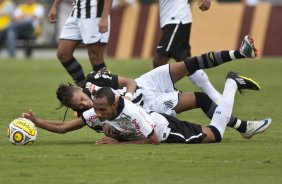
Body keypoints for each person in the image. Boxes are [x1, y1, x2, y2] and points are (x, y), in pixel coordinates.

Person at [21, 36, 271, 140]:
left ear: (78, 89)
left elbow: (129, 81)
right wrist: (36, 121)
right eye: (78, 106)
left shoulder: (94, 79)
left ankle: (240, 52)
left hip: (146, 83)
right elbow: (64, 127)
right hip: (149, 108)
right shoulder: (91, 114)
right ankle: (242, 127)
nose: (83, 104)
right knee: (201, 100)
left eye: (80, 98)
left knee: (187, 64)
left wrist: (127, 95)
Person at [92, 71, 271, 144]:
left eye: (101, 110)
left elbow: (153, 140)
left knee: (215, 135)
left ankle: (231, 83)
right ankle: (244, 127)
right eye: (96, 109)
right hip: (157, 118)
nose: (98, 114)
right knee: (202, 102)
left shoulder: (132, 111)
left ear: (114, 104)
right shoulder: (105, 110)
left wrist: (118, 144)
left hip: (167, 130)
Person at [154, 0, 224, 104]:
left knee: (159, 59)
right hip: (172, 18)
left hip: (177, 18)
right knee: (185, 61)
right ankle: (216, 97)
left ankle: (162, 99)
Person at [48, 0, 113, 86]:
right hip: (76, 11)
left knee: (95, 56)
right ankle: (84, 86)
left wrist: (104, 17)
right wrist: (54, 6)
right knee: (63, 53)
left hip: (95, 12)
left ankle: (109, 90)